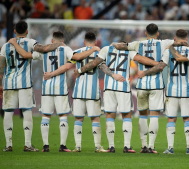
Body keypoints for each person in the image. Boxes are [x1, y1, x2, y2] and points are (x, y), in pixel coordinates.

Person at [9, 31, 98, 152]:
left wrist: (14, 43)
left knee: (46, 116)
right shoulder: (65, 49)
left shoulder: (44, 51)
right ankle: (62, 146)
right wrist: (93, 49)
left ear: (52, 41)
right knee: (63, 116)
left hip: (46, 87)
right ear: (62, 40)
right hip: (60, 87)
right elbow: (77, 57)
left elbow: (25, 55)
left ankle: (45, 146)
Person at [74, 42, 159, 153]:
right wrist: (157, 64)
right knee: (126, 115)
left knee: (110, 115)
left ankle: (111, 146)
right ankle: (127, 146)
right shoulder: (129, 50)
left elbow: (96, 63)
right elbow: (141, 59)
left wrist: (80, 70)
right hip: (123, 86)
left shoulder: (106, 49)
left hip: (109, 86)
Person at [138, 29, 189, 154]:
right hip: (186, 90)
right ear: (186, 39)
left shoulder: (168, 51)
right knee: (187, 119)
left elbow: (160, 66)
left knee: (171, 119)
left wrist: (145, 72)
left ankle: (170, 148)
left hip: (172, 90)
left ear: (175, 38)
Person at [43, 31, 114, 153]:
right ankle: (97, 146)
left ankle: (77, 146)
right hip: (93, 89)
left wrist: (51, 74)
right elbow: (102, 67)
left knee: (78, 119)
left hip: (78, 90)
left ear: (84, 41)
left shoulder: (77, 52)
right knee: (95, 119)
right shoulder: (99, 52)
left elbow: (67, 66)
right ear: (96, 41)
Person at [111, 23, 175, 153]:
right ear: (158, 33)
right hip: (156, 83)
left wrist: (112, 45)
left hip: (141, 83)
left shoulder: (137, 44)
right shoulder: (163, 43)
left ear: (145, 33)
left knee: (142, 115)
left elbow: (120, 46)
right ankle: (151, 147)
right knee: (154, 115)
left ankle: (144, 146)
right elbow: (179, 42)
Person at [1, 20, 64, 152]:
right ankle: (28, 144)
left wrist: (0, 83)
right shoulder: (30, 42)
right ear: (27, 31)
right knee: (27, 111)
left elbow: (1, 65)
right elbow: (44, 49)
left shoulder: (5, 46)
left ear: (14, 31)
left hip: (8, 82)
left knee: (8, 112)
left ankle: (8, 145)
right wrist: (58, 43)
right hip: (24, 83)